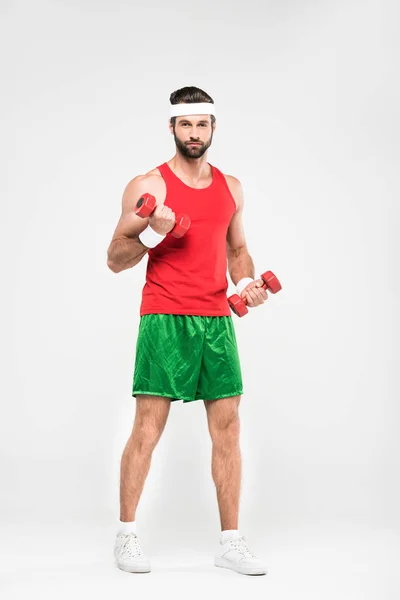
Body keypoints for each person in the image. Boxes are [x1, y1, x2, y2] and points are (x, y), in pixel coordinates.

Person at [106, 86, 268, 576]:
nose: (194, 133)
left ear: (213, 128)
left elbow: (236, 250)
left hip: (217, 320)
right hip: (165, 317)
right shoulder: (146, 185)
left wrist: (247, 282)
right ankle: (126, 537)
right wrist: (154, 230)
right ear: (172, 128)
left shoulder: (231, 186)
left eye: (202, 124)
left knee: (229, 428)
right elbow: (115, 259)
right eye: (185, 125)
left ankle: (231, 542)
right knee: (148, 428)